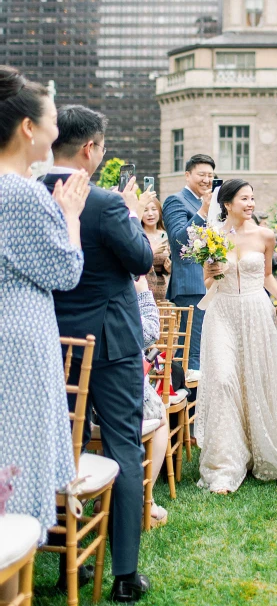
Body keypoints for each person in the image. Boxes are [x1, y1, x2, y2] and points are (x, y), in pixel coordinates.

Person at [43, 104, 154, 604]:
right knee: (123, 447)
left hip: (52, 340)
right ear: (90, 149)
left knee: (62, 448)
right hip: (109, 344)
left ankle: (65, 551)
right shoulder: (107, 203)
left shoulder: (28, 194)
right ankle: (125, 573)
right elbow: (142, 259)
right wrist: (130, 215)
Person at [0, 68, 87, 570]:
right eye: (53, 119)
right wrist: (70, 216)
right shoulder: (25, 193)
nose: (58, 129)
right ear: (29, 129)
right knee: (18, 459)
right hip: (21, 338)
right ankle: (14, 581)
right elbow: (65, 270)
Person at [194, 179, 277, 494]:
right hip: (222, 313)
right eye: (243, 198)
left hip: (255, 312)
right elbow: (208, 284)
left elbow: (266, 276)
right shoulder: (210, 238)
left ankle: (259, 447)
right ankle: (225, 465)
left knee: (256, 380)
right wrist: (212, 273)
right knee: (223, 379)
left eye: (252, 198)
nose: (250, 203)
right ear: (227, 204)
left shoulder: (266, 236)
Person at [162, 154, 215, 373]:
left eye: (211, 175)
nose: (207, 180)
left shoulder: (214, 204)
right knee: (193, 351)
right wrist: (203, 211)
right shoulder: (176, 201)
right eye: (202, 174)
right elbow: (177, 240)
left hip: (213, 283)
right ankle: (192, 403)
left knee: (211, 349)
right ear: (187, 175)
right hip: (192, 286)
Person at [134, 276, 168, 527]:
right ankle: (146, 497)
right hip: (116, 387)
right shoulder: (125, 282)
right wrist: (144, 292)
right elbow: (149, 333)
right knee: (159, 416)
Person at [141, 197, 171, 302]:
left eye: (154, 209)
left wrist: (169, 268)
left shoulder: (166, 236)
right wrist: (153, 251)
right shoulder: (137, 236)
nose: (150, 214)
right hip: (142, 286)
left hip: (162, 289)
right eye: (145, 210)